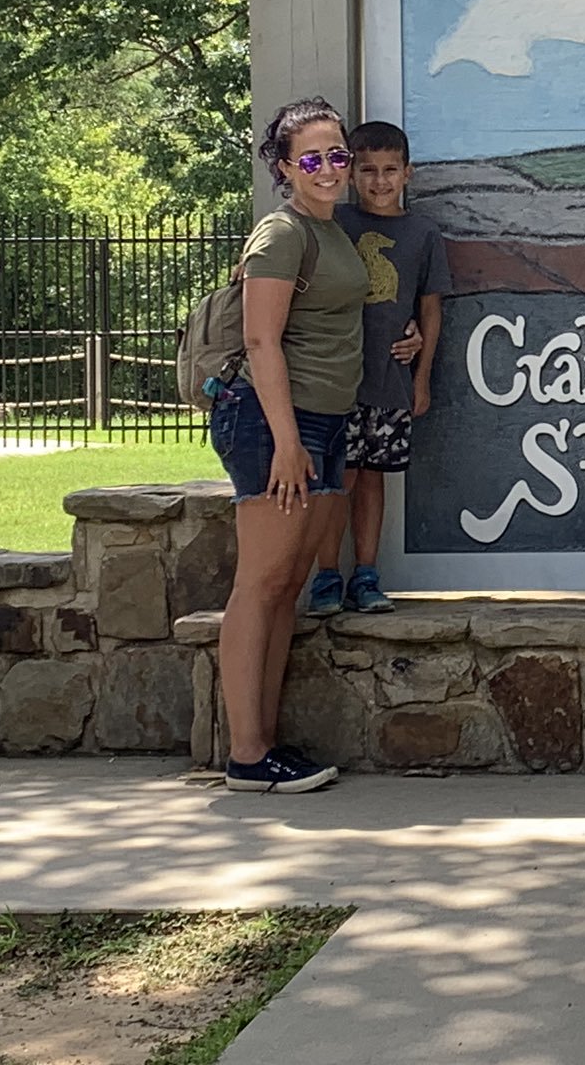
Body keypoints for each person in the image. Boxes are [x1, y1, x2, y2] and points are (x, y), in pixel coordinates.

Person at [209, 97, 369, 793]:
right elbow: (259, 339)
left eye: (339, 155)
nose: (330, 168)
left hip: (325, 423)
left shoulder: (331, 231)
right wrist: (284, 443)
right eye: (313, 158)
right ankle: (247, 754)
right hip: (278, 424)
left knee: (285, 590)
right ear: (284, 167)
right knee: (262, 584)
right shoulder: (280, 235)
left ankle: (266, 744)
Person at [304, 120, 452, 617]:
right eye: (368, 170)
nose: (380, 181)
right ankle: (327, 575)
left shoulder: (423, 233)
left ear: (407, 173)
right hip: (336, 380)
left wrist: (422, 375)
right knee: (336, 477)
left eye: (390, 170)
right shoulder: (333, 224)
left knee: (373, 477)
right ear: (351, 175)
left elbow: (430, 308)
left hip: (390, 380)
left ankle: (366, 574)